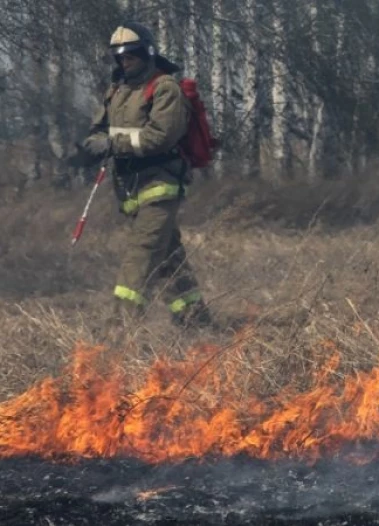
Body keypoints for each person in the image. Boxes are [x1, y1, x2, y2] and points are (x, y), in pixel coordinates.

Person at [66, 22, 213, 329]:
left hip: (160, 185)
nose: (125, 61)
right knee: (168, 257)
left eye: (131, 55)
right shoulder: (117, 89)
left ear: (146, 52)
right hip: (130, 188)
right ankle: (195, 319)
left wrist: (112, 143)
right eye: (120, 57)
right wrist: (89, 148)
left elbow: (160, 137)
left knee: (142, 252)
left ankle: (120, 328)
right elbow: (100, 129)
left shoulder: (163, 88)